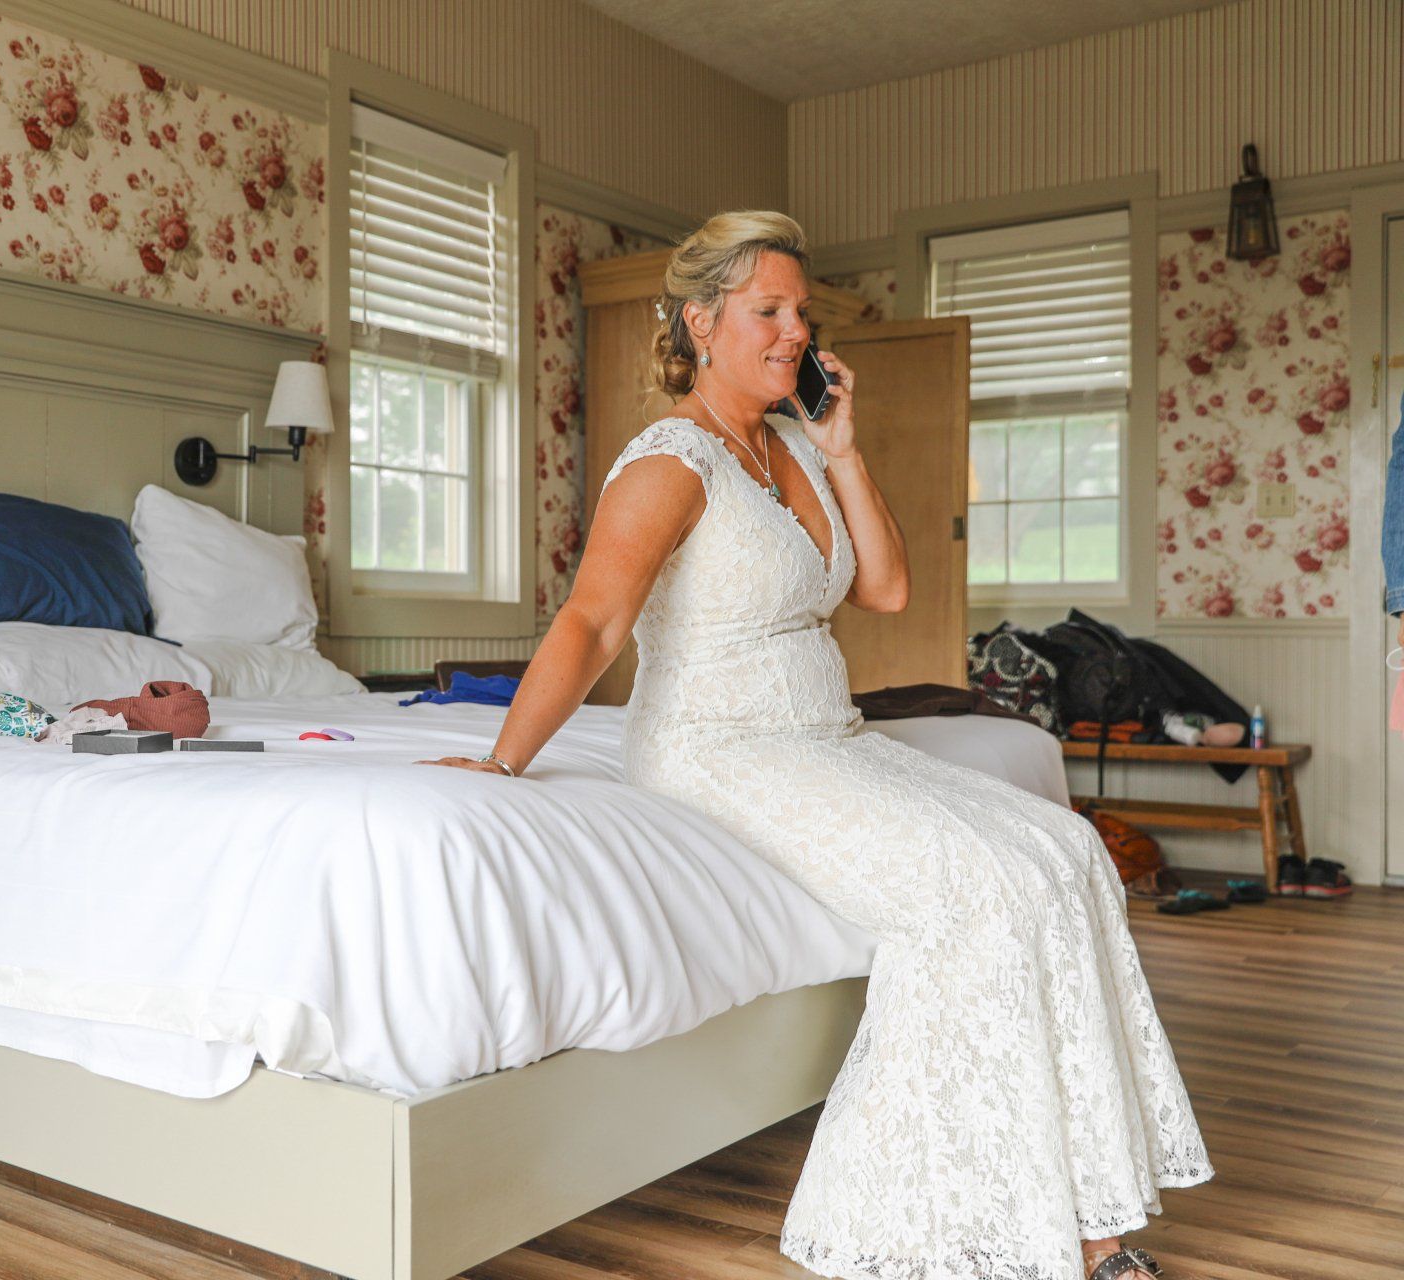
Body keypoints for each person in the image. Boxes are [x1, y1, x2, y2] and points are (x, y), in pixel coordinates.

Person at [422, 211, 1211, 1280]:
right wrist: (505, 758)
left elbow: (884, 586)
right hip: (718, 745)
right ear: (702, 321)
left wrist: (842, 448)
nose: (794, 330)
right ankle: (1023, 1230)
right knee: (971, 888)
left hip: (825, 736)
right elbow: (592, 623)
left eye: (802, 311)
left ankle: (1075, 1194)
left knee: (1058, 850)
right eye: (768, 311)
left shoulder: (795, 442)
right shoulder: (668, 461)